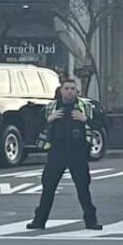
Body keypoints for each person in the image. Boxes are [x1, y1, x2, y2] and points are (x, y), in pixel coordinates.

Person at [27, 76, 103, 231]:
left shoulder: (85, 107)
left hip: (78, 152)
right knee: (48, 187)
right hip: (57, 151)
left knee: (83, 188)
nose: (69, 92)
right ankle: (39, 221)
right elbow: (34, 127)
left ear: (77, 91)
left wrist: (85, 119)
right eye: (66, 89)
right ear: (60, 91)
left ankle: (91, 221)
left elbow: (101, 125)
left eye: (72, 89)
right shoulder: (51, 108)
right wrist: (49, 119)